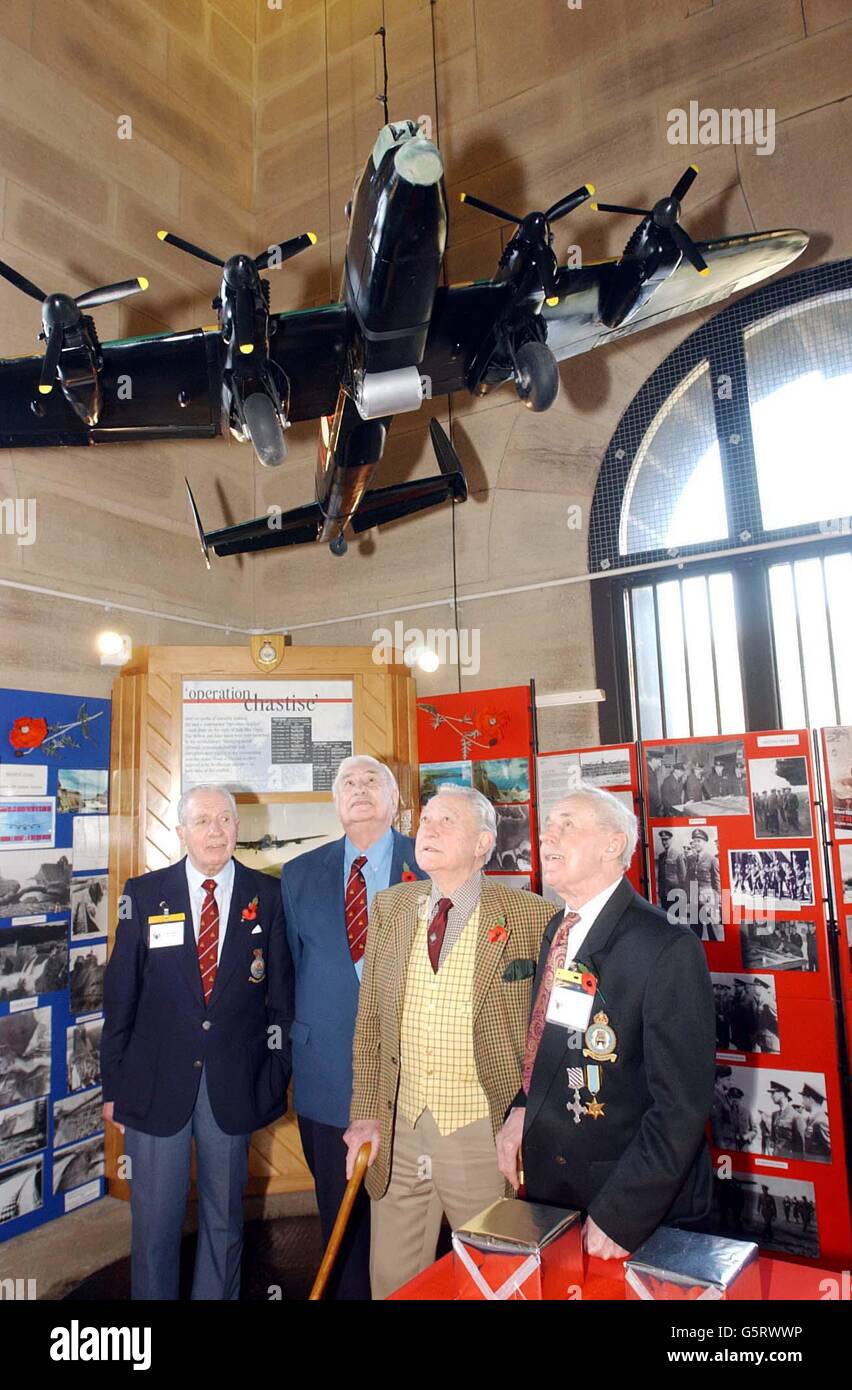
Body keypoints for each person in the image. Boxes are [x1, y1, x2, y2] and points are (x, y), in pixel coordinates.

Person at [344, 785, 553, 1299]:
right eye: (426, 820)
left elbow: (549, 1030)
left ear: (483, 843)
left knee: (495, 1279)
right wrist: (367, 1113)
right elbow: (370, 1023)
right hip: (402, 1128)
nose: (428, 830)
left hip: (482, 1133)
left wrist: (527, 1111)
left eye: (446, 822)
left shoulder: (531, 915)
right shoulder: (391, 907)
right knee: (394, 1280)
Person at [496, 787, 715, 1258]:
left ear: (613, 845)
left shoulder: (665, 947)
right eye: (547, 824)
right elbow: (552, 1045)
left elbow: (680, 1106)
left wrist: (622, 1213)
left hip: (627, 1204)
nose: (546, 834)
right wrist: (521, 1107)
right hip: (554, 1192)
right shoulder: (559, 928)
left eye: (567, 824)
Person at [101, 785, 294, 1301]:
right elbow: (121, 997)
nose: (215, 831)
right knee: (155, 1227)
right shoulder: (143, 894)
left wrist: (274, 1073)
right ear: (181, 832)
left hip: (232, 1087)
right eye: (203, 821)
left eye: (225, 820)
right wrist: (113, 1085)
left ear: (237, 828)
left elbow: (280, 997)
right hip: (154, 1084)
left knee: (224, 1220)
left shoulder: (268, 896)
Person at [280, 755, 426, 1300]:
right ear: (335, 800)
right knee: (337, 1220)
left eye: (372, 781)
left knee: (409, 1219)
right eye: (348, 782)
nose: (359, 790)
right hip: (326, 1074)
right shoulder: (299, 875)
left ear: (396, 802)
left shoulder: (430, 862)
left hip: (413, 1077)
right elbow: (291, 971)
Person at [799, 1083, 831, 1160]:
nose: (802, 1103)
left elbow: (831, 1151)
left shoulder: (820, 1121)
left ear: (810, 1100)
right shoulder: (811, 1119)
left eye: (803, 1098)